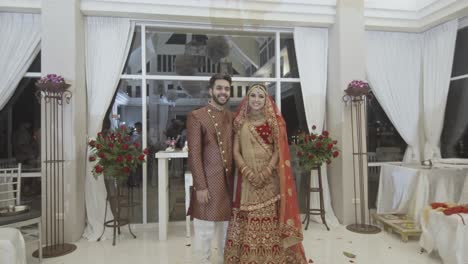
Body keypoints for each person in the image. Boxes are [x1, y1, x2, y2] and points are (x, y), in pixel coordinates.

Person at [224, 84, 307, 263]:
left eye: (260, 96)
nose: (256, 99)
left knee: (270, 221)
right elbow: (236, 151)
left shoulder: (274, 122)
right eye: (252, 95)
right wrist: (247, 172)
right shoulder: (240, 122)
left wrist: (266, 172)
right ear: (247, 99)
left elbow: (279, 150)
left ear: (266, 100)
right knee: (250, 220)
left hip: (270, 181)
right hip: (247, 181)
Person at [187, 73, 235, 264]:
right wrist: (200, 186)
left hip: (228, 186)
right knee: (204, 234)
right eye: (219, 88)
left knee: (226, 235)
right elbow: (194, 154)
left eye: (226, 89)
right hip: (208, 184)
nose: (223, 92)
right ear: (211, 90)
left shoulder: (231, 117)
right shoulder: (197, 116)